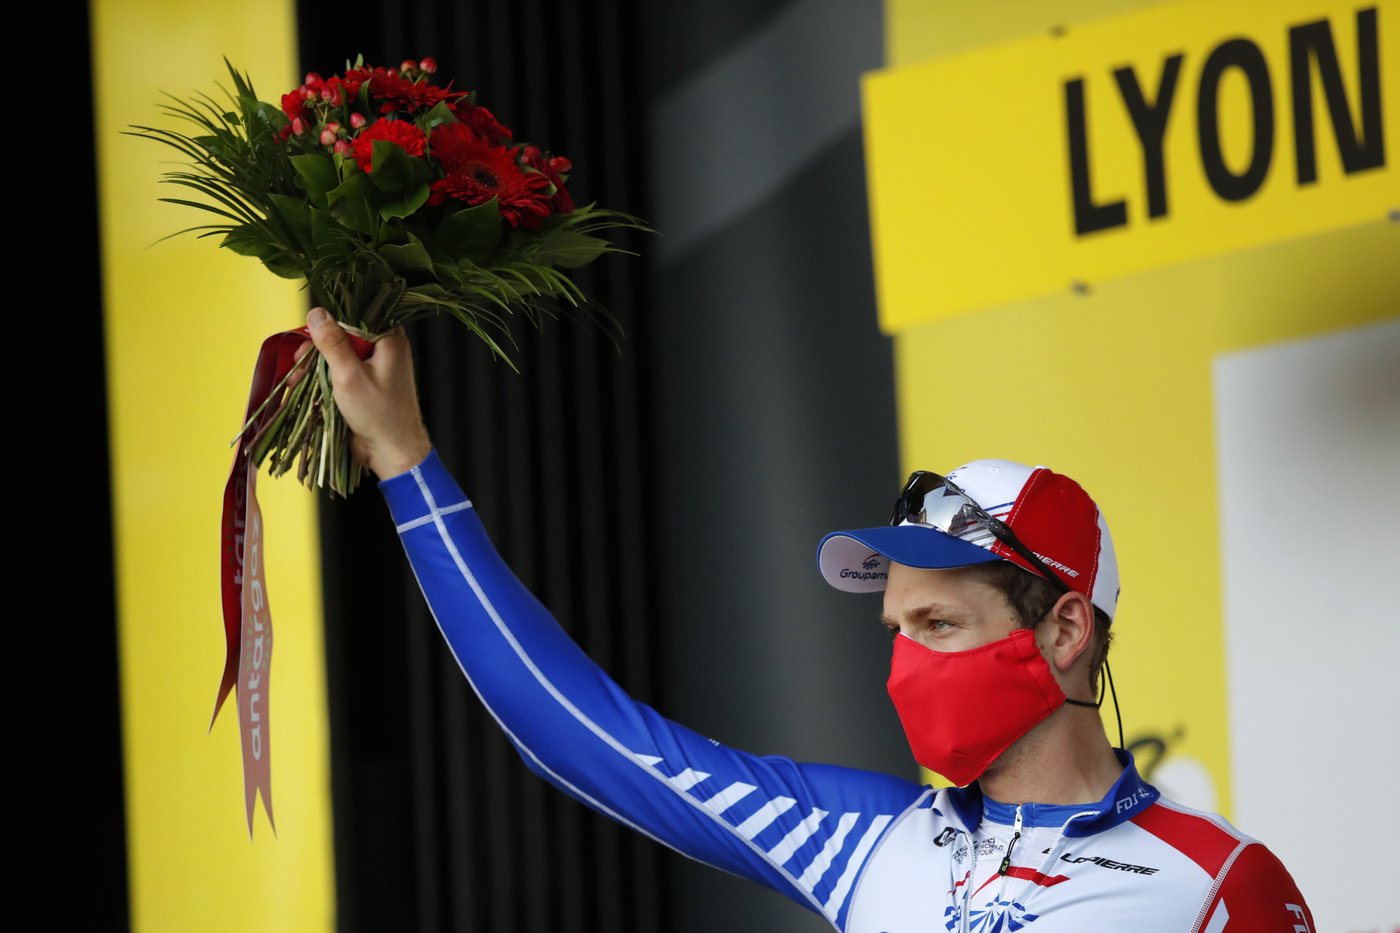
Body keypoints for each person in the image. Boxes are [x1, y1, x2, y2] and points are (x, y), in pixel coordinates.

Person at [298, 308, 1316, 932]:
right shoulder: (864, 839)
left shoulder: (1214, 886)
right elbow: (574, 730)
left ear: (1063, 630)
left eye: (939, 625)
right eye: (895, 630)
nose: (905, 665)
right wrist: (405, 459)